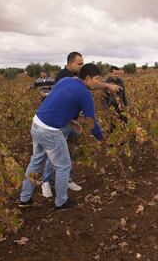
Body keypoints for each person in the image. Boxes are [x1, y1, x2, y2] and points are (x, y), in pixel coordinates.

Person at [19, 63, 104, 210]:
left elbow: (56, 102)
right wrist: (101, 138)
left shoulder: (66, 80)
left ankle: (24, 199)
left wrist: (70, 120)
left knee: (36, 161)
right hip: (50, 130)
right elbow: (91, 122)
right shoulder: (85, 94)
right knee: (63, 165)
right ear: (88, 77)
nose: (98, 83)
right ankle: (61, 202)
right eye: (96, 79)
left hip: (37, 122)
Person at [41, 52, 122, 197]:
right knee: (55, 155)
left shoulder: (78, 78)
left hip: (69, 122)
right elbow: (59, 100)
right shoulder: (63, 77)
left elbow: (90, 85)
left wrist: (108, 85)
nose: (81, 65)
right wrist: (100, 137)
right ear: (70, 62)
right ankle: (47, 182)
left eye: (82, 63)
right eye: (79, 63)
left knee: (68, 151)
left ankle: (66, 179)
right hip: (59, 124)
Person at [102, 66, 128, 130]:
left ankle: (123, 138)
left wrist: (126, 104)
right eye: (115, 74)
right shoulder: (106, 83)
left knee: (124, 124)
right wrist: (107, 110)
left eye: (118, 74)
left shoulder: (120, 81)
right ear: (110, 73)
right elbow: (104, 98)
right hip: (112, 109)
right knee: (113, 127)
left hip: (121, 107)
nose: (117, 75)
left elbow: (123, 94)